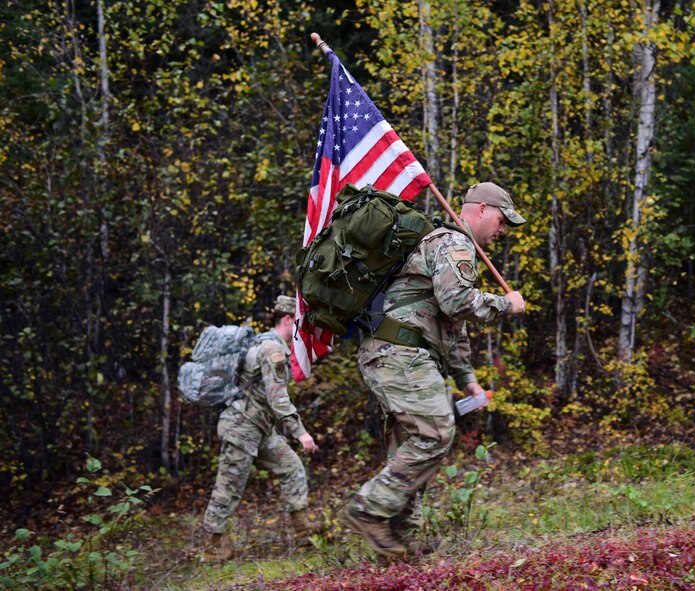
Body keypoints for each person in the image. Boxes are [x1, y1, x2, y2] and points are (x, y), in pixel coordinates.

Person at [341, 182, 527, 557]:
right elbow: (456, 301)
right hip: (400, 353)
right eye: (502, 219)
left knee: (410, 446)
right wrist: (506, 304)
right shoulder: (453, 243)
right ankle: (369, 509)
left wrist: (468, 381)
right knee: (435, 433)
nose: (503, 229)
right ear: (479, 211)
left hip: (401, 354)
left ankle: (398, 539)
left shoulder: (452, 246)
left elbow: (450, 327)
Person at [201, 295, 320, 562]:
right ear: (287, 319)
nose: (300, 330)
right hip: (242, 428)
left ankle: (302, 530)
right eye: (298, 323)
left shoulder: (265, 343)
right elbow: (277, 397)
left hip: (260, 428)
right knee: (229, 486)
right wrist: (300, 432)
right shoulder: (272, 350)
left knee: (291, 467)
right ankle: (212, 546)